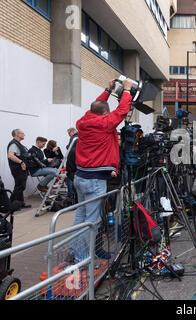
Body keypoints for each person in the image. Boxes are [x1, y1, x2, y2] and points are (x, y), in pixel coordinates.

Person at [68, 78, 133, 263]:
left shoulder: (83, 121)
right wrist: (126, 90)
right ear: (105, 113)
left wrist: (107, 90)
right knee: (92, 221)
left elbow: (94, 107)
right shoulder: (105, 124)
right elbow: (122, 111)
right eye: (107, 112)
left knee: (80, 218)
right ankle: (81, 258)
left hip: (80, 177)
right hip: (94, 180)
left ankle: (75, 252)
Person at [7, 129, 31, 209]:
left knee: (21, 186)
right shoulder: (13, 144)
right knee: (19, 186)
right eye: (22, 133)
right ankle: (12, 205)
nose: (24, 134)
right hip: (17, 169)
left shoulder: (18, 144)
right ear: (17, 134)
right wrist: (21, 162)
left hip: (22, 169)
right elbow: (10, 155)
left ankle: (20, 203)